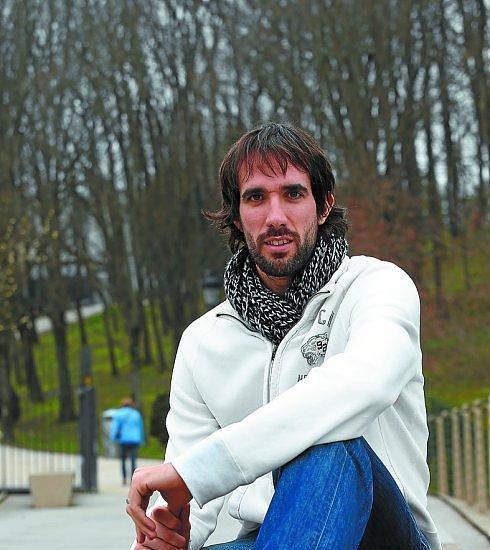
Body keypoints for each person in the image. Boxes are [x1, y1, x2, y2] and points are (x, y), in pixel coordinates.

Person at [126, 122, 441, 549]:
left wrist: (200, 471)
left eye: (293, 194)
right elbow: (186, 499)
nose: (275, 217)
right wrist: (168, 534)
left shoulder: (376, 287)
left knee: (328, 444)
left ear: (323, 206)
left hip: (382, 536)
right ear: (236, 216)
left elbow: (369, 380)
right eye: (256, 197)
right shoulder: (203, 341)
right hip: (268, 537)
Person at [110, 397, 145, 485]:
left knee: (123, 459)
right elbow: (140, 427)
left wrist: (113, 438)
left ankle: (124, 478)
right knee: (133, 459)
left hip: (124, 440)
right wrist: (142, 439)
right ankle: (133, 478)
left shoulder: (119, 414)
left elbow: (115, 427)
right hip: (135, 439)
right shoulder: (136, 414)